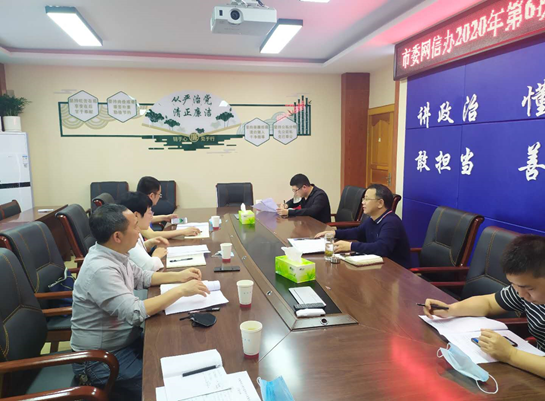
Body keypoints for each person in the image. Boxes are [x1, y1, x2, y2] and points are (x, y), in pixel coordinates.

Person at [71, 204, 210, 400]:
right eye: (135, 226)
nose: (140, 232)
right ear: (117, 236)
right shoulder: (100, 269)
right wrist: (181, 291)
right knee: (164, 386)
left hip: (127, 342)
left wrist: (180, 276)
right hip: (100, 360)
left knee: (179, 351)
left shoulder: (114, 253)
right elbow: (135, 312)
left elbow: (143, 277)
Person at [423, 235, 545, 378]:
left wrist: (511, 354)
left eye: (529, 288)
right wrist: (450, 310)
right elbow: (488, 303)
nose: (521, 294)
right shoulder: (522, 290)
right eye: (514, 285)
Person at [315, 183, 410, 268]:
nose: (363, 202)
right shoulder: (372, 219)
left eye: (367, 199)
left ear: (380, 203)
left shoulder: (391, 222)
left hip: (395, 271)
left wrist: (351, 246)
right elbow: (357, 232)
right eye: (363, 199)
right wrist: (334, 233)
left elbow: (382, 248)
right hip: (378, 265)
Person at [136, 176, 200, 239]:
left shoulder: (141, 205)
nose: (159, 197)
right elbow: (152, 235)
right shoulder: (138, 210)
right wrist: (183, 231)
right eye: (159, 194)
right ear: (152, 196)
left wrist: (165, 217)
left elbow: (147, 219)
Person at [119, 191, 168, 271]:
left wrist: (149, 243)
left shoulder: (133, 229)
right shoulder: (127, 236)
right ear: (136, 215)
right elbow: (149, 267)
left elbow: (137, 254)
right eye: (149, 212)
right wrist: (157, 255)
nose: (151, 217)